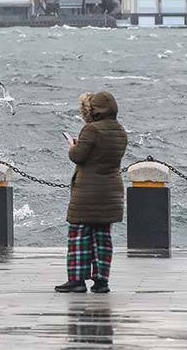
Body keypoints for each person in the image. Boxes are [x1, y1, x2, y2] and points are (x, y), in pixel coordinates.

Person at [55, 91, 128, 294]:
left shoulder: (91, 130)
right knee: (102, 238)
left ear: (93, 110)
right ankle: (101, 281)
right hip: (111, 192)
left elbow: (78, 156)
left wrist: (72, 146)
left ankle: (77, 280)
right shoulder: (120, 131)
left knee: (79, 235)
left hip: (87, 193)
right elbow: (103, 155)